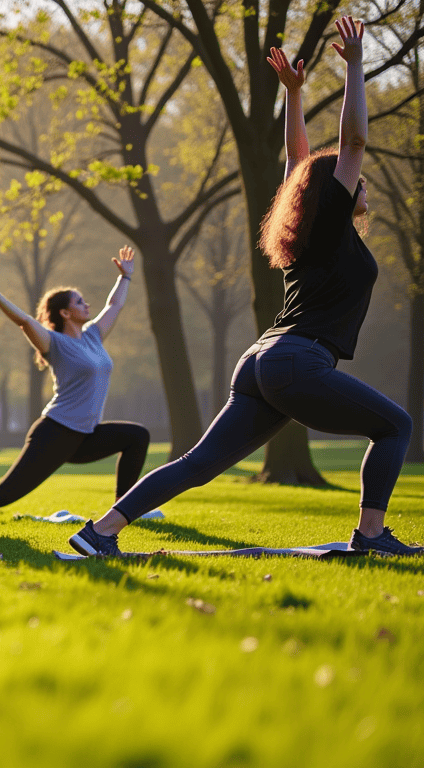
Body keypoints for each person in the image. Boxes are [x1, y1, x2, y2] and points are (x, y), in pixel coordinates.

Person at [69, 17, 417, 557]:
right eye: (356, 179)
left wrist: (296, 98)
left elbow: (298, 165)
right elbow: (351, 142)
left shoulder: (309, 233)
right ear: (337, 193)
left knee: (199, 465)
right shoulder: (327, 226)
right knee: (395, 425)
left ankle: (100, 532)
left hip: (263, 361)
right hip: (298, 361)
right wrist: (352, 66)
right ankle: (370, 535)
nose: (362, 181)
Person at [0, 249, 149, 521]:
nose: (87, 305)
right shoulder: (55, 343)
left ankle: (123, 510)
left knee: (137, 437)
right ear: (65, 313)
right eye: (80, 302)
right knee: (5, 493)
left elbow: (114, 306)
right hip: (56, 433)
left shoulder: (93, 336)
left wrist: (126, 277)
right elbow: (25, 321)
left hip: (85, 435)